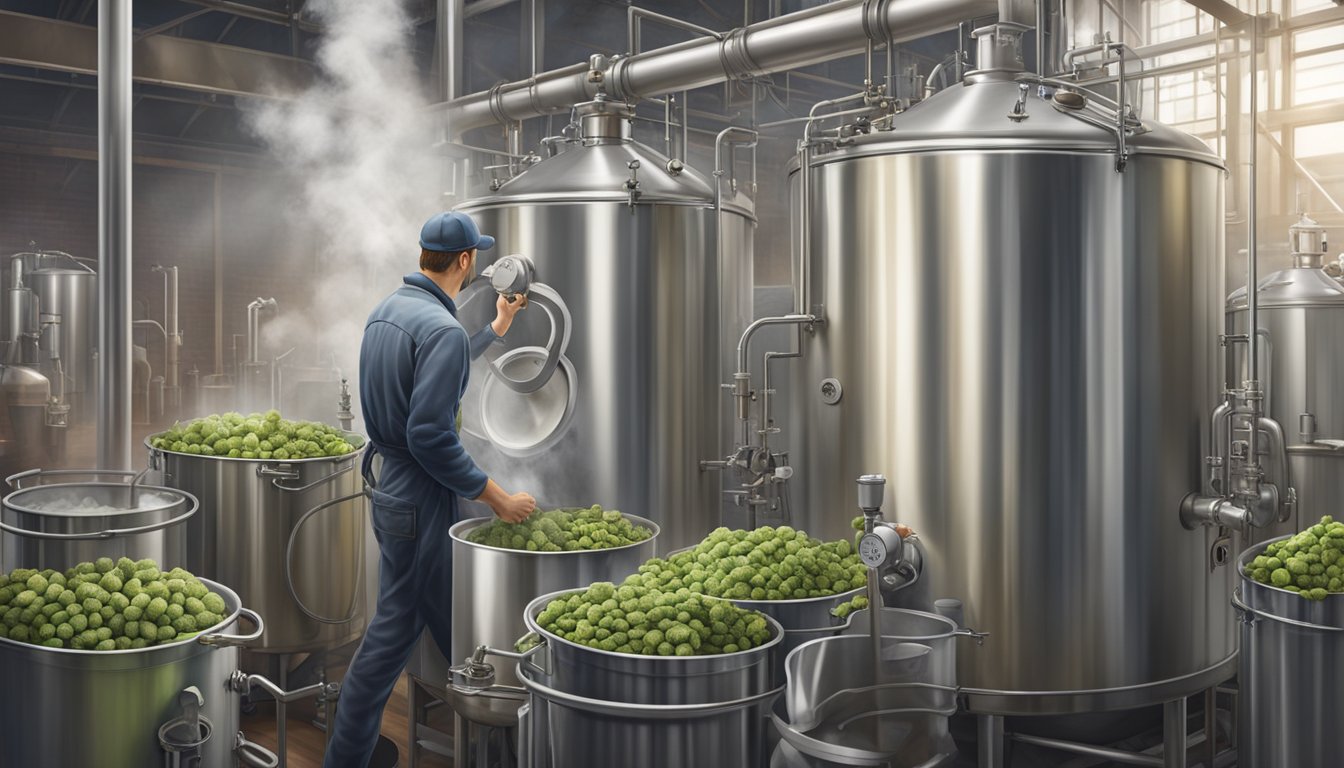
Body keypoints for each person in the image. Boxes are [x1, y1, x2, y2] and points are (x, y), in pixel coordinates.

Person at [324, 211, 537, 767]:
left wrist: (495, 330)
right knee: (398, 634)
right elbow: (429, 434)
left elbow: (434, 368)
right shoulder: (438, 328)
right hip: (422, 494)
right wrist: (498, 498)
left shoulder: (390, 312)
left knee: (452, 624)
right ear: (466, 260)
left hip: (393, 488)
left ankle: (499, 744)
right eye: (478, 257)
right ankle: (347, 758)